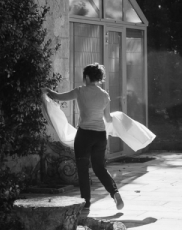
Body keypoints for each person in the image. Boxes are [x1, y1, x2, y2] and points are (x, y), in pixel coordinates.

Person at [42, 64, 125, 212]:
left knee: (83, 169)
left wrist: (47, 91)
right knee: (99, 168)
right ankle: (115, 193)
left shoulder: (80, 91)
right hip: (100, 135)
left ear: (86, 77)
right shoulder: (105, 95)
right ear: (98, 78)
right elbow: (107, 118)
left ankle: (86, 203)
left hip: (84, 135)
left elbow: (59, 97)